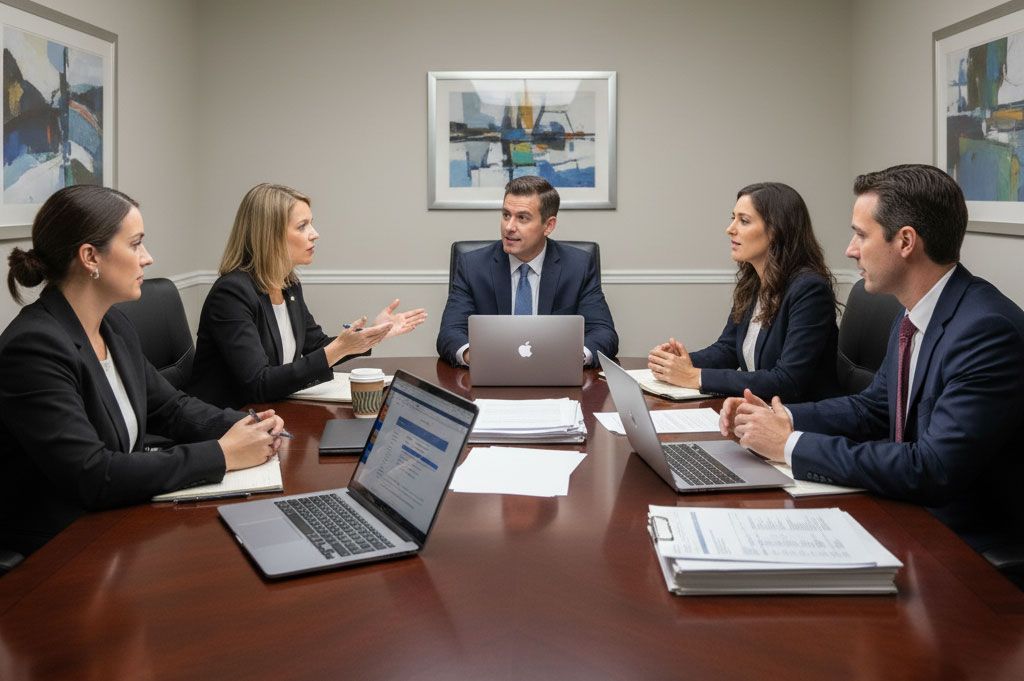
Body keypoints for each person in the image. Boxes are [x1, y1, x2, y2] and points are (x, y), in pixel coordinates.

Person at [721, 164, 1024, 555]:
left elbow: (932, 469)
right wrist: (783, 419)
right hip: (906, 511)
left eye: (861, 235)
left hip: (962, 546)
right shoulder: (913, 311)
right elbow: (874, 408)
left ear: (905, 242)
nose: (850, 249)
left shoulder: (986, 331)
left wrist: (790, 445)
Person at [0, 185, 284, 557]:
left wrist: (246, 426)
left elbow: (171, 408)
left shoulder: (114, 325)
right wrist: (222, 454)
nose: (147, 258)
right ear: (90, 257)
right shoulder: (34, 347)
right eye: (135, 244)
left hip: (114, 525)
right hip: (56, 551)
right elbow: (92, 474)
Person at [188, 183, 427, 408]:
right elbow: (258, 384)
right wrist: (338, 350)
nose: (315, 234)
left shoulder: (289, 285)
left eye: (311, 224)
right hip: (227, 423)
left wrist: (373, 334)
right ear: (270, 235)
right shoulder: (232, 293)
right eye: (302, 226)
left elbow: (317, 346)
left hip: (271, 412)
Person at [647, 182, 839, 401]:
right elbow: (728, 350)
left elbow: (787, 381)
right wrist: (678, 363)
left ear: (776, 231)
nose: (730, 229)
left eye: (744, 221)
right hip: (759, 413)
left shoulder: (809, 290)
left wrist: (694, 377)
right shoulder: (754, 283)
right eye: (733, 218)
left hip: (800, 422)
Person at [436, 175, 618, 366]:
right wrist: (475, 356)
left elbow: (603, 332)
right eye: (506, 215)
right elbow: (450, 332)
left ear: (549, 225)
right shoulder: (472, 266)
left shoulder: (578, 266)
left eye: (522, 218)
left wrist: (572, 358)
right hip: (492, 376)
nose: (509, 227)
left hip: (556, 377)